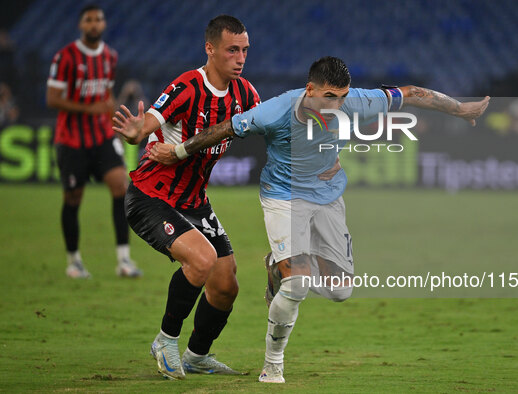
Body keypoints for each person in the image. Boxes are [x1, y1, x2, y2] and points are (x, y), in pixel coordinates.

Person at [128, 56, 490, 383]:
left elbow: (411, 93)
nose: (338, 105)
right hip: (283, 198)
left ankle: (274, 269)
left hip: (329, 199)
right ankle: (272, 365)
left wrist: (460, 110)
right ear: (310, 90)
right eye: (330, 97)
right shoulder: (277, 109)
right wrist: (176, 151)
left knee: (340, 290)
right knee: (297, 285)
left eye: (343, 97)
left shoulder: (357, 103)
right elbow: (225, 128)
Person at [112, 15, 260, 380]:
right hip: (151, 197)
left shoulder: (246, 95)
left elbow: (268, 126)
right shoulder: (187, 87)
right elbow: (147, 122)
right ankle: (165, 340)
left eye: (244, 50)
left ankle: (197, 355)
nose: (240, 58)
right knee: (202, 259)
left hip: (195, 202)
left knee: (226, 285)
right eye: (232, 50)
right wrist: (135, 133)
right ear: (210, 49)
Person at [46, 4, 141, 279]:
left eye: (98, 19)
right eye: (89, 20)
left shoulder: (110, 56)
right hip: (72, 140)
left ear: (104, 24)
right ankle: (73, 261)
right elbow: (52, 98)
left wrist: (116, 128)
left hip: (101, 137)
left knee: (121, 186)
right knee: (73, 197)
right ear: (81, 25)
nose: (94, 24)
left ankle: (124, 260)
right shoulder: (65, 57)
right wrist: (89, 109)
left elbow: (106, 97)